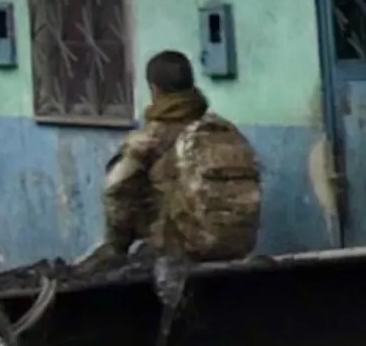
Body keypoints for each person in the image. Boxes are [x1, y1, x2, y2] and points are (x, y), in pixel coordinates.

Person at [92, 50, 263, 263]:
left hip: (176, 250)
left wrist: (117, 246)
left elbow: (116, 190)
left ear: (154, 89)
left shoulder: (151, 138)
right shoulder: (223, 131)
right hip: (236, 246)